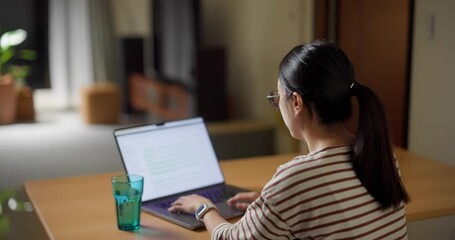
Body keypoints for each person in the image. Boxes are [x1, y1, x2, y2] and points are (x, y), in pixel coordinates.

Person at [168, 40, 410, 239]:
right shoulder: (380, 155)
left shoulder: (297, 177)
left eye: (277, 97)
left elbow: (231, 239)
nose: (277, 105)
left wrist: (203, 207)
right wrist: (273, 204)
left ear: (296, 103)